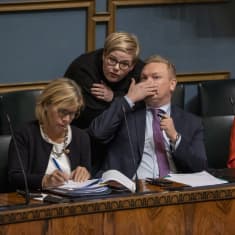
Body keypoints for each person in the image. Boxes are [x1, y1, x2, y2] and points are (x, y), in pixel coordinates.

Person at [89, 55, 208, 179]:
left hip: (175, 190)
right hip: (133, 190)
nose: (148, 82)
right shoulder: (126, 113)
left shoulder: (192, 122)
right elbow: (98, 133)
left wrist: (175, 137)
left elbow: (200, 168)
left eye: (156, 77)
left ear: (172, 85)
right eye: (144, 78)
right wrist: (129, 99)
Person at [8, 78, 91, 191]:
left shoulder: (81, 137)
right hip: (36, 203)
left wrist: (85, 173)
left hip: (73, 203)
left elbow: (87, 175)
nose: (67, 119)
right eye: (62, 111)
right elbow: (14, 178)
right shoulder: (24, 134)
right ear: (46, 105)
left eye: (72, 114)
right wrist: (45, 181)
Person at [64, 31, 144, 129]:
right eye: (112, 60)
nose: (116, 68)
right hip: (84, 132)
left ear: (132, 66)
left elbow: (144, 108)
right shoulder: (83, 70)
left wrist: (113, 97)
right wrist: (127, 99)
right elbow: (96, 121)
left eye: (124, 64)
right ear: (104, 55)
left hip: (124, 133)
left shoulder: (141, 71)